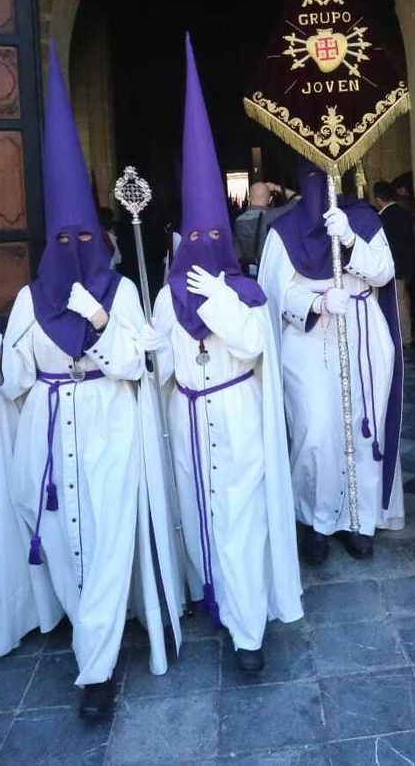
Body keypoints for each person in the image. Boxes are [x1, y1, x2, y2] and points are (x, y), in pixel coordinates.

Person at [0, 56, 181, 721]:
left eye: (83, 236)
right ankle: (92, 623)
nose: (73, 246)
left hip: (108, 429)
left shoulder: (119, 291)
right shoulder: (32, 299)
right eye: (62, 238)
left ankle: (97, 667)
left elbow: (133, 365)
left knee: (112, 533)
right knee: (62, 539)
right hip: (48, 431)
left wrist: (99, 322)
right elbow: (19, 382)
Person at [148, 36, 303, 673]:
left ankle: (247, 629)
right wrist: (133, 349)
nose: (209, 245)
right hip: (188, 420)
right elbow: (155, 367)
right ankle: (208, 597)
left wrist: (218, 301)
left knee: (239, 517)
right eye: (199, 236)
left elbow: (251, 344)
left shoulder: (244, 291)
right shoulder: (163, 297)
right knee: (198, 511)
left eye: (220, 235)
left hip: (237, 419)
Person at [259, 162, 405, 565]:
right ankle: (316, 521)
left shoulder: (363, 219)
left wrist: (352, 240)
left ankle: (358, 520)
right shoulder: (282, 231)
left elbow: (384, 271)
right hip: (310, 340)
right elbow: (273, 294)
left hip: (362, 334)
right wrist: (315, 302)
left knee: (362, 430)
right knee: (316, 430)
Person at [373, 180, 415, 349]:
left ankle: (405, 338)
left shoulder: (382, 218)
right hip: (408, 263)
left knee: (399, 303)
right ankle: (407, 334)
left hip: (394, 265)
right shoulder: (404, 212)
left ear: (378, 199)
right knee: (404, 300)